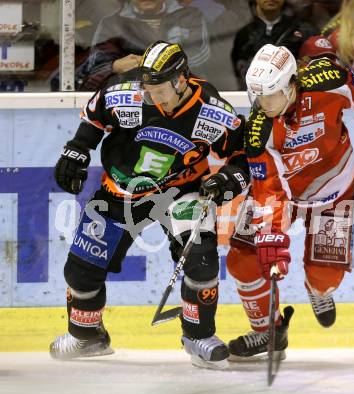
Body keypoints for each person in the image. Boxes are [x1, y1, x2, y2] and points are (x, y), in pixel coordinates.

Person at [50, 41, 249, 369]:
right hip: (120, 191)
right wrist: (77, 148)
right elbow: (95, 117)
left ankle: (198, 335)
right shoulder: (124, 92)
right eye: (147, 88)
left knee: (201, 258)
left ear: (181, 80)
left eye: (158, 90)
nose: (150, 97)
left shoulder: (213, 111)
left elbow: (241, 155)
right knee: (81, 271)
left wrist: (228, 179)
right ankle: (88, 337)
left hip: (180, 191)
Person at [225, 43, 354, 360]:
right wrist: (272, 237)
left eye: (270, 95)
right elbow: (270, 188)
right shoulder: (259, 129)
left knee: (325, 277)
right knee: (243, 260)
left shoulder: (330, 80)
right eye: (257, 96)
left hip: (334, 186)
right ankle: (268, 332)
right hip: (285, 191)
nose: (262, 104)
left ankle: (317, 291)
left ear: (292, 84)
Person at [79, 0, 211, 91]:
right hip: (131, 98)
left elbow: (201, 55)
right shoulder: (112, 23)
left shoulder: (190, 16)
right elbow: (94, 67)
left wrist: (146, 63)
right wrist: (114, 66)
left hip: (184, 94)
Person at [231, 0, 317, 90]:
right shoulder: (244, 36)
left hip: (295, 94)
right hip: (255, 94)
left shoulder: (304, 30)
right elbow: (239, 73)